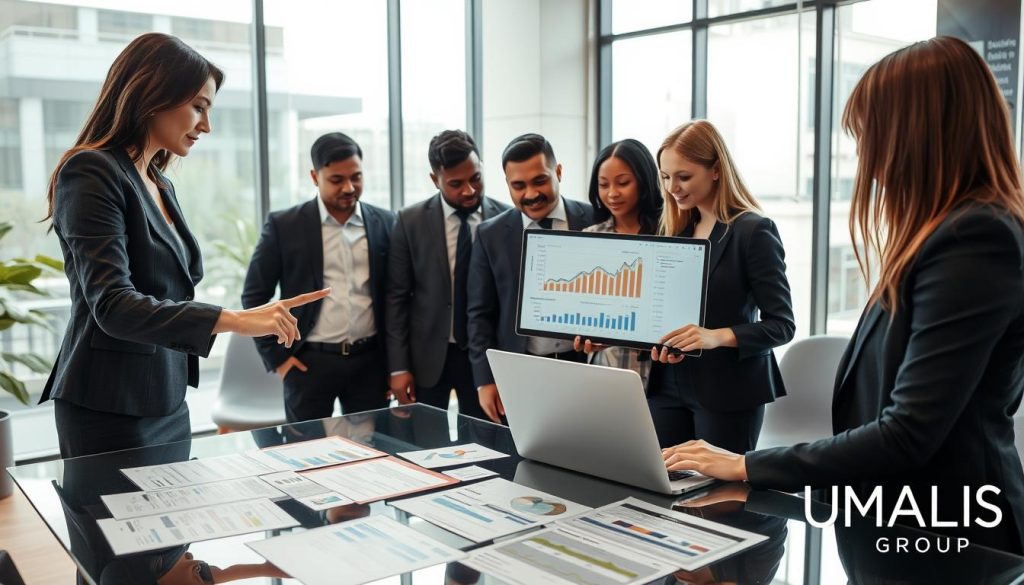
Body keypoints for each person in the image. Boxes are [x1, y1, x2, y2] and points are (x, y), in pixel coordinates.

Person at [662, 36, 1024, 554]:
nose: (867, 160)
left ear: (917, 134)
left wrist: (745, 464)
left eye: (870, 137)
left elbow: (907, 432)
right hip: (898, 514)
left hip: (951, 532)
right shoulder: (941, 232)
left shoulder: (974, 239)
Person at [41, 33, 328, 459]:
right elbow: (113, 305)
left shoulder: (159, 181)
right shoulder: (91, 171)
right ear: (153, 94)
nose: (206, 126)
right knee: (113, 527)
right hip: (110, 404)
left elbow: (168, 287)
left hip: (167, 395)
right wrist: (237, 320)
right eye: (199, 107)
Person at [648, 120, 795, 453]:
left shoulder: (753, 231)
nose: (673, 187)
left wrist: (716, 336)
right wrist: (662, 344)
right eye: (666, 177)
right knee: (663, 488)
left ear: (716, 170)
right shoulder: (677, 232)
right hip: (668, 386)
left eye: (684, 177)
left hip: (728, 391)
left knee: (717, 499)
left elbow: (782, 325)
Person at [242, 132, 396, 423]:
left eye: (357, 177)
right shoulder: (284, 225)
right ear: (315, 177)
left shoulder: (386, 223)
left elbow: (397, 297)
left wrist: (396, 365)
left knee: (372, 453)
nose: (349, 187)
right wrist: (279, 360)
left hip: (371, 363)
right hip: (308, 363)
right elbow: (254, 296)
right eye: (337, 180)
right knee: (306, 455)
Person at [467, 133, 595, 423]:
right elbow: (479, 314)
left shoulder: (594, 220)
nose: (530, 194)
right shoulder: (490, 235)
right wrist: (484, 379)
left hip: (587, 366)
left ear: (558, 172)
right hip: (523, 371)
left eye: (540, 181)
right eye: (518, 185)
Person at [385, 130, 510, 420]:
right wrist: (398, 367)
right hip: (428, 357)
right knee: (424, 449)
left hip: (487, 357)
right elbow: (396, 299)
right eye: (456, 184)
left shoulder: (505, 219)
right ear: (435, 180)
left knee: (486, 448)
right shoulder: (410, 221)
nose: (469, 190)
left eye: (475, 178)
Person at [572, 138, 663, 390]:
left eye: (623, 183)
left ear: (644, 181)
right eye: (603, 185)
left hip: (661, 375)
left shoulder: (669, 235)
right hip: (606, 370)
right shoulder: (590, 236)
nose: (612, 193)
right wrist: (583, 335)